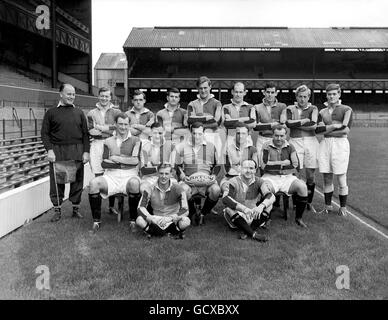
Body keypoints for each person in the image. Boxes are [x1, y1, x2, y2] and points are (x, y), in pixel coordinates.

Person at [41, 83, 90, 222]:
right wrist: (49, 150)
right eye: (69, 94)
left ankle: (75, 209)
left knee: (77, 182)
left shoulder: (80, 113)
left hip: (77, 150)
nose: (71, 97)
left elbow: (86, 134)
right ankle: (57, 210)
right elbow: (44, 134)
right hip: (58, 152)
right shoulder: (51, 113)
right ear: (61, 94)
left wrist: (86, 152)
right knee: (57, 182)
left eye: (73, 94)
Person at [88, 113, 142, 232]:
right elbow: (104, 163)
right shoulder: (108, 141)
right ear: (115, 125)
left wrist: (116, 158)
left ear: (129, 125)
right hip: (111, 175)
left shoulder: (136, 140)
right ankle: (96, 222)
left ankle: (133, 220)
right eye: (120, 124)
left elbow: (135, 161)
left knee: (134, 183)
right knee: (93, 184)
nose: (123, 127)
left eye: (125, 124)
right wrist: (126, 160)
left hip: (130, 175)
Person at [171, 122, 221, 225]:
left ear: (203, 134)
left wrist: (214, 176)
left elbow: (218, 165)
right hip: (189, 180)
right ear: (190, 133)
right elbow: (177, 165)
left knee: (216, 190)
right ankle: (193, 212)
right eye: (194, 133)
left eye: (199, 134)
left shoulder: (211, 147)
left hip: (206, 181)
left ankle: (203, 213)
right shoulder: (182, 147)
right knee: (183, 190)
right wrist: (183, 176)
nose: (197, 136)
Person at [260, 125, 309, 228]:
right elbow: (264, 165)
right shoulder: (266, 146)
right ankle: (265, 218)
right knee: (265, 188)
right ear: (272, 135)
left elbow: (295, 165)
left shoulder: (290, 146)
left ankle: (298, 218)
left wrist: (273, 164)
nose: (279, 138)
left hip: (287, 177)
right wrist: (283, 163)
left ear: (286, 135)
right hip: (270, 176)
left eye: (281, 136)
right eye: (276, 136)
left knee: (303, 187)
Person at [316, 83, 353, 216]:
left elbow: (345, 130)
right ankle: (328, 206)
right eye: (329, 94)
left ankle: (343, 208)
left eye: (334, 94)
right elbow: (318, 130)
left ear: (339, 94)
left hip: (340, 144)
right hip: (325, 145)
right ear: (326, 95)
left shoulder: (347, 109)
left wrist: (327, 130)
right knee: (327, 177)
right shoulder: (322, 112)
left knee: (341, 176)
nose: (331, 96)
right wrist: (334, 127)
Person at [282, 85, 319, 213]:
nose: (302, 99)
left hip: (311, 142)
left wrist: (296, 123)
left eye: (305, 97)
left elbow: (313, 125)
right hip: (295, 141)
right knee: (296, 173)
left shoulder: (314, 108)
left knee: (310, 174)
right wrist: (304, 121)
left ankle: (308, 202)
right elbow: (288, 123)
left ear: (308, 97)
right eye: (300, 96)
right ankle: (297, 203)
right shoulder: (290, 108)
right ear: (296, 97)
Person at [87, 87, 121, 215]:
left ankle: (111, 206)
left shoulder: (116, 112)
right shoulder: (91, 113)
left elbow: (117, 129)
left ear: (110, 98)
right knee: (98, 175)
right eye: (102, 96)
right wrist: (108, 129)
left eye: (107, 96)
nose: (104, 98)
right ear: (98, 96)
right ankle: (98, 208)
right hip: (96, 145)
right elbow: (92, 131)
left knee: (111, 174)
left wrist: (100, 127)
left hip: (112, 144)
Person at [222, 159, 274, 242]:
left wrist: (261, 207)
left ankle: (247, 230)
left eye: (251, 168)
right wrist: (244, 209)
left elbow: (271, 196)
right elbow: (225, 199)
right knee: (228, 208)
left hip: (253, 214)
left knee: (269, 204)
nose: (248, 171)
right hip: (237, 213)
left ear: (255, 170)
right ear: (240, 169)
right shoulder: (233, 181)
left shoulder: (259, 181)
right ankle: (254, 234)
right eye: (245, 168)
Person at [136, 163, 190, 239]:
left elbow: (185, 209)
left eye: (166, 173)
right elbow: (140, 207)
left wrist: (170, 218)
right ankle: (166, 233)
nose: (164, 176)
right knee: (139, 220)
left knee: (186, 221)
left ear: (171, 174)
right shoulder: (150, 188)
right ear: (157, 173)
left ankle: (156, 233)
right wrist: (151, 218)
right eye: (161, 173)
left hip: (172, 220)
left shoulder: (178, 189)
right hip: (156, 219)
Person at [187, 76, 223, 158]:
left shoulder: (217, 103)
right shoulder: (192, 104)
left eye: (205, 88)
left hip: (213, 136)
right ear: (197, 88)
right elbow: (189, 120)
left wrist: (198, 121)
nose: (203, 91)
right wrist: (208, 118)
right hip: (196, 137)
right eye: (200, 88)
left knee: (216, 161)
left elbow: (216, 122)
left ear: (210, 87)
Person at [253, 82, 287, 168]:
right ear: (264, 92)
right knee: (262, 165)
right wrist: (272, 125)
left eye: (272, 92)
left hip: (278, 138)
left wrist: (263, 125)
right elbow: (255, 127)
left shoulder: (282, 106)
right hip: (262, 139)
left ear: (276, 93)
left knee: (278, 164)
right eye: (268, 92)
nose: (270, 95)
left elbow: (283, 123)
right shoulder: (257, 107)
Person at [220, 122, 259, 193]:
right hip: (230, 178)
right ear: (234, 134)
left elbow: (255, 169)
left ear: (248, 134)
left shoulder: (252, 149)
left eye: (243, 133)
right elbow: (227, 170)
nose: (241, 136)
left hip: (248, 179)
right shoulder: (227, 148)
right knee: (227, 188)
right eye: (238, 133)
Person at [140, 122, 175, 192]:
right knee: (143, 188)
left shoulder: (171, 146)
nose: (157, 136)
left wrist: (153, 168)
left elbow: (172, 169)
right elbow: (144, 170)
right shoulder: (145, 147)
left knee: (177, 189)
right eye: (155, 133)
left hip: (168, 178)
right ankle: (147, 202)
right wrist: (162, 167)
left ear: (164, 133)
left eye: (160, 133)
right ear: (150, 133)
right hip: (149, 178)